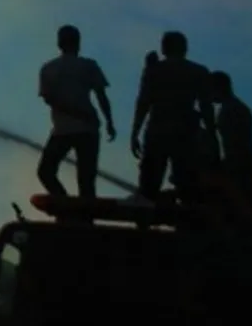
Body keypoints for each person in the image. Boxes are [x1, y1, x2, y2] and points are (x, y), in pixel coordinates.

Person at [130, 31, 216, 204]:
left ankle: (145, 222)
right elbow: (207, 107)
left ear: (164, 48)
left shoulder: (154, 70)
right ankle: (187, 226)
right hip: (186, 131)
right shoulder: (198, 71)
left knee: (149, 184)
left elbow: (144, 102)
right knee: (188, 185)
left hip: (158, 129)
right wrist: (212, 136)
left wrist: (135, 132)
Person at [36, 25, 116, 198]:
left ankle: (65, 206)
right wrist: (109, 122)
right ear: (78, 43)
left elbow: (49, 99)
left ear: (59, 43)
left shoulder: (48, 68)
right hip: (87, 128)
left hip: (63, 130)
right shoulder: (88, 65)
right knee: (86, 181)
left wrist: (73, 112)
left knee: (46, 172)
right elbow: (102, 96)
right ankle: (79, 216)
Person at [209, 71, 252, 219]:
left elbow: (235, 144)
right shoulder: (236, 108)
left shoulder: (230, 110)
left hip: (241, 168)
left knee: (242, 213)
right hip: (246, 167)